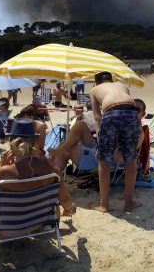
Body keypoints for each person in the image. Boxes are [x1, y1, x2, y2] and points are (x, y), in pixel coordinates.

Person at [89, 71, 140, 213]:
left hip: (111, 113)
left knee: (104, 161)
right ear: (111, 80)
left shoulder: (94, 90)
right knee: (130, 159)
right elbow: (131, 105)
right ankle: (129, 203)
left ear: (97, 82)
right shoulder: (122, 85)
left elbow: (97, 117)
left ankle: (104, 204)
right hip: (131, 113)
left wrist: (99, 138)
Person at [49, 99, 146, 173]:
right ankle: (59, 152)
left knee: (68, 148)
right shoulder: (122, 124)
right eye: (131, 109)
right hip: (99, 149)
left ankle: (54, 177)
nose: (133, 112)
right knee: (81, 125)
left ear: (143, 114)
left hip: (105, 160)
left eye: (137, 110)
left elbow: (123, 158)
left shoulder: (137, 132)